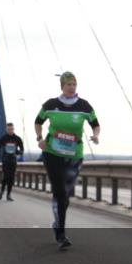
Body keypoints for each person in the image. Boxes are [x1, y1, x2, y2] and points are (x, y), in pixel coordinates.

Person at [35, 72, 100, 250]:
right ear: (62, 86)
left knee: (66, 193)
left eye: (74, 84)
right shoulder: (51, 104)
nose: (72, 87)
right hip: (52, 153)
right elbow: (38, 121)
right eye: (69, 84)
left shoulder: (84, 106)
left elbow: (95, 123)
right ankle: (61, 233)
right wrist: (39, 138)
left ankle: (57, 223)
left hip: (74, 155)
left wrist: (95, 135)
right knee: (59, 192)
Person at [0, 122, 24, 201]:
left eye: (11, 129)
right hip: (5, 160)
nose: (10, 131)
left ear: (13, 129)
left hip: (13, 160)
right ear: (6, 129)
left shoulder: (17, 138)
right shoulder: (3, 138)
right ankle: (1, 191)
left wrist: (19, 153)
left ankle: (8, 195)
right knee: (6, 176)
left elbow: (21, 149)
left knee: (11, 178)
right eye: (8, 129)